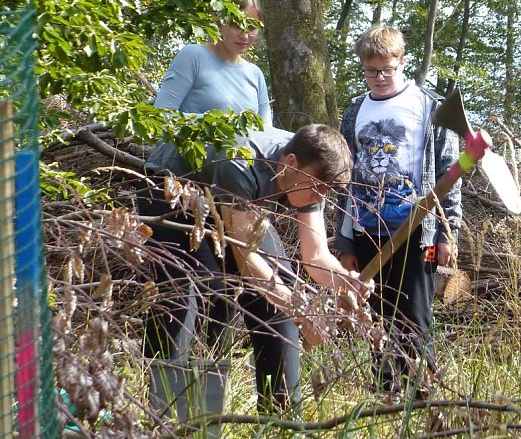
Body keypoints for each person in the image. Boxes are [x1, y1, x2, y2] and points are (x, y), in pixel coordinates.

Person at [139, 124, 370, 410]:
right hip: (170, 187)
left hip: (232, 202)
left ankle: (282, 417)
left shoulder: (311, 169)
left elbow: (316, 255)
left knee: (279, 299)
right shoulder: (242, 162)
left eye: (327, 191)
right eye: (318, 188)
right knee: (192, 291)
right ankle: (163, 411)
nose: (320, 198)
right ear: (290, 163)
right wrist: (300, 309)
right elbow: (245, 258)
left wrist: (346, 281)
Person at [334, 24, 462, 396]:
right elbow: (344, 176)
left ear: (402, 62)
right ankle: (386, 396)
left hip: (416, 232)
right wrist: (344, 241)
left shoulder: (428, 106)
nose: (379, 77)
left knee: (415, 317)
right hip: (365, 230)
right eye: (371, 70)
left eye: (386, 69)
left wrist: (447, 232)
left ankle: (423, 396)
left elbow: (448, 170)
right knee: (378, 316)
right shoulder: (355, 110)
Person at [154, 0, 272, 127]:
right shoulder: (193, 56)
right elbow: (162, 115)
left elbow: (267, 133)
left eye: (251, 28)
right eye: (237, 25)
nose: (244, 36)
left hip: (251, 147)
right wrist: (218, 123)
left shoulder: (255, 74)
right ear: (219, 23)